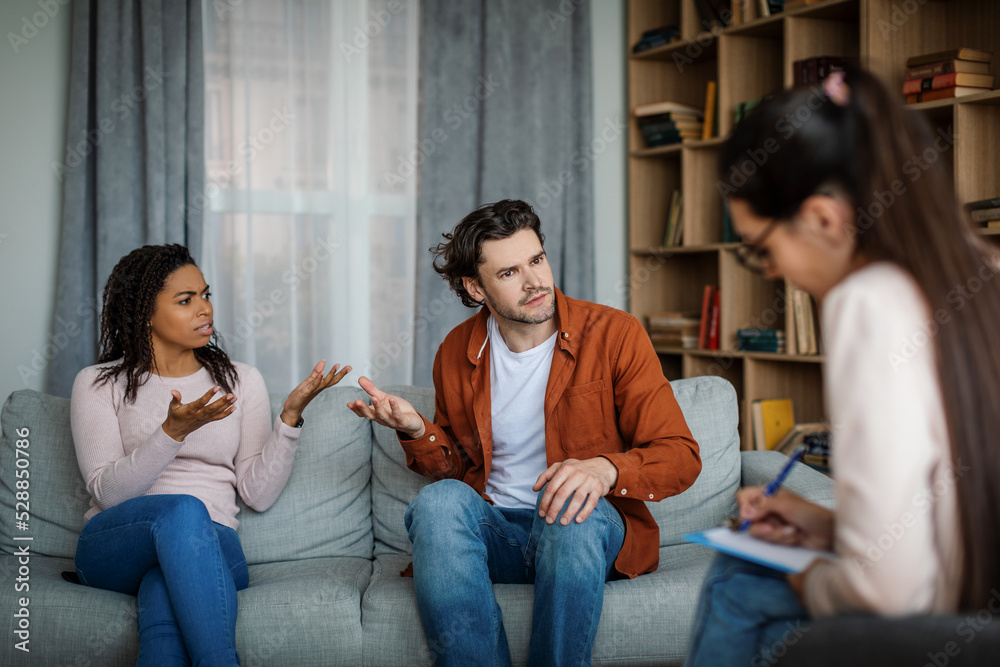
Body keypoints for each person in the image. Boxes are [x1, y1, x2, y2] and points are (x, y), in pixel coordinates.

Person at [685, 68, 1000, 666]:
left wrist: (813, 580)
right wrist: (831, 529)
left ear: (825, 219)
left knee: (738, 576)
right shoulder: (981, 272)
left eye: (763, 251)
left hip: (938, 625)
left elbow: (891, 590)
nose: (774, 273)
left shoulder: (870, 301)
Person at [347, 199, 702, 666]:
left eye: (537, 260)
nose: (536, 282)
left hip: (586, 533)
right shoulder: (456, 350)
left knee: (569, 506)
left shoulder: (614, 334)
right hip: (500, 533)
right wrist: (416, 430)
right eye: (510, 272)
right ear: (476, 288)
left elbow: (680, 455)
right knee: (437, 504)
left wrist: (605, 469)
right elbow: (453, 470)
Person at [70, 244, 351, 666]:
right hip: (116, 547)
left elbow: (257, 494)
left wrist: (290, 419)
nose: (204, 309)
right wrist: (171, 433)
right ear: (145, 312)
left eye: (206, 294)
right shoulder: (97, 383)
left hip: (213, 548)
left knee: (165, 597)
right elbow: (109, 495)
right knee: (183, 511)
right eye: (186, 300)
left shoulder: (241, 380)